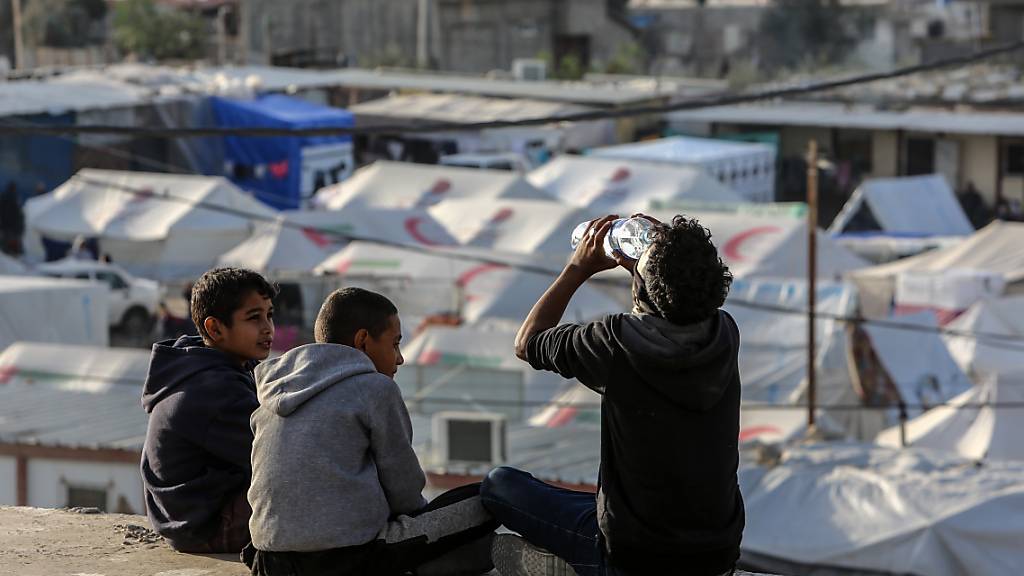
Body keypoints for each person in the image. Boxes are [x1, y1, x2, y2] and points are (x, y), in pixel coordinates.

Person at [482, 214, 745, 576]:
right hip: (716, 554)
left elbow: (528, 342)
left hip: (634, 556)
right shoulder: (725, 334)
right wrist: (655, 269)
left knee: (499, 484)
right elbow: (678, 304)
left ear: (643, 286)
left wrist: (577, 269)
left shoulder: (615, 342)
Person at [244, 287, 497, 576]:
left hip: (268, 559)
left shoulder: (270, 394)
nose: (400, 358)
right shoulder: (376, 388)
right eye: (395, 344)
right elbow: (405, 494)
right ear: (363, 341)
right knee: (492, 493)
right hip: (346, 558)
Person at [140, 267, 277, 553]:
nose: (268, 328)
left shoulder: (220, 362)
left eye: (270, 315)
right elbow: (278, 454)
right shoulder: (212, 391)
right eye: (254, 318)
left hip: (196, 514)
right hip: (206, 526)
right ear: (215, 328)